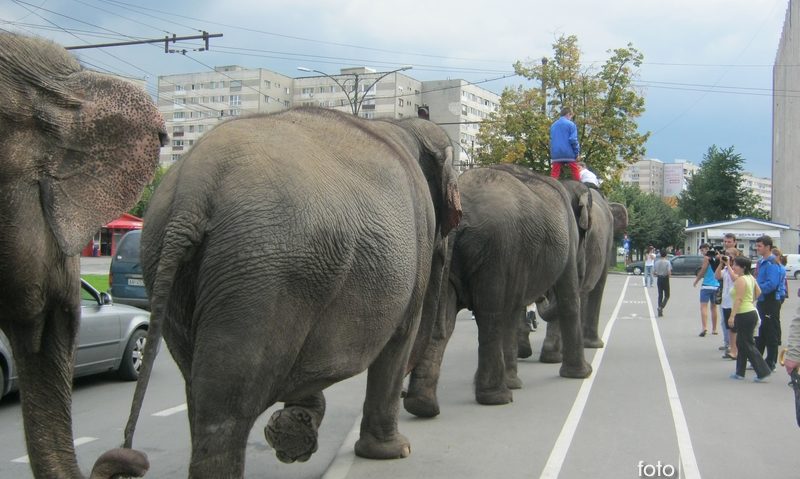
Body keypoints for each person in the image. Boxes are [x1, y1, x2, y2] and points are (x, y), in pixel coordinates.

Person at [728, 256, 771, 382]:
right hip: (749, 311)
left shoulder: (741, 280)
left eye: (735, 265)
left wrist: (732, 316)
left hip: (744, 313)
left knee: (746, 343)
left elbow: (739, 299)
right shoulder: (750, 278)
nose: (733, 267)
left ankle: (763, 371)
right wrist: (751, 301)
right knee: (742, 343)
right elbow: (758, 292)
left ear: (743, 267)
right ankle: (740, 372)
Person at [754, 235, 784, 371]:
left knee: (770, 332)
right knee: (761, 331)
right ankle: (758, 359)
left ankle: (771, 361)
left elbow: (772, 284)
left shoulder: (772, 263)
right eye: (757, 245)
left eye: (760, 246)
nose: (757, 248)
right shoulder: (761, 262)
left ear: (768, 247)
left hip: (770, 301)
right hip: (762, 301)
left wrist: (757, 290)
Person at [714, 233, 738, 356]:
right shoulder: (724, 265)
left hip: (735, 299)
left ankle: (734, 347)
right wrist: (721, 262)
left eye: (729, 242)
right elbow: (717, 276)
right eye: (725, 242)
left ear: (735, 242)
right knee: (725, 322)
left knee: (733, 324)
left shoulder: (739, 264)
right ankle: (728, 343)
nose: (726, 244)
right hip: (724, 297)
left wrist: (728, 264)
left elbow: (736, 278)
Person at [693, 243, 720, 337]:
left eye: (702, 250)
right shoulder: (717, 257)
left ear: (706, 249)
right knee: (714, 307)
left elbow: (703, 270)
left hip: (706, 285)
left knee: (703, 307)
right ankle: (715, 329)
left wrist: (696, 280)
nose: (702, 252)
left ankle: (704, 327)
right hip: (717, 285)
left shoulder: (706, 258)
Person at [549, 107, 581, 181]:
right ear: (568, 114)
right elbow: (573, 139)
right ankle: (579, 187)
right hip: (568, 153)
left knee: (554, 173)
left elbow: (551, 140)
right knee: (575, 170)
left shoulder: (553, 125)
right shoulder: (571, 124)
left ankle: (551, 186)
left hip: (556, 154)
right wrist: (576, 153)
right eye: (571, 116)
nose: (571, 118)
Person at [654, 250, 671, 317]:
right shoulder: (667, 262)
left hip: (659, 278)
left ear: (660, 255)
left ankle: (659, 309)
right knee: (667, 295)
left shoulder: (656, 262)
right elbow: (669, 272)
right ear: (666, 255)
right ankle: (661, 307)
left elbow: (654, 272)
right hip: (665, 278)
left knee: (660, 294)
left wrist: (658, 273)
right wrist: (669, 276)